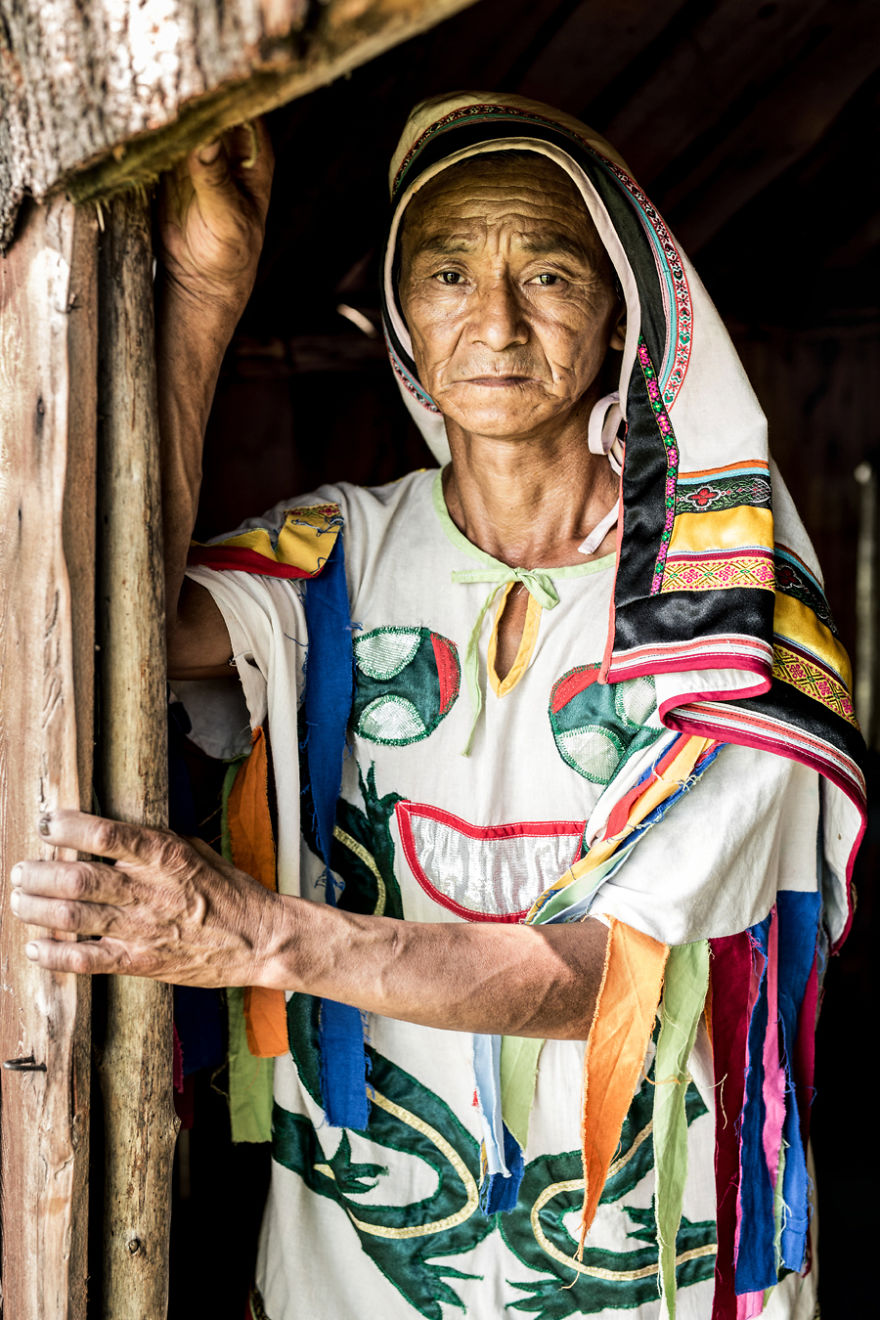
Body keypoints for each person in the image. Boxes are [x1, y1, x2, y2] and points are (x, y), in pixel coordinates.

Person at [11, 93, 865, 1319]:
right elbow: (100, 626)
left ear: (622, 309)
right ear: (403, 318)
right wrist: (203, 297)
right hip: (355, 1271)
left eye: (551, 273)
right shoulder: (334, 557)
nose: (496, 321)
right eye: (449, 271)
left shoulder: (723, 598)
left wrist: (258, 936)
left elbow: (609, 977)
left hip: (655, 1274)